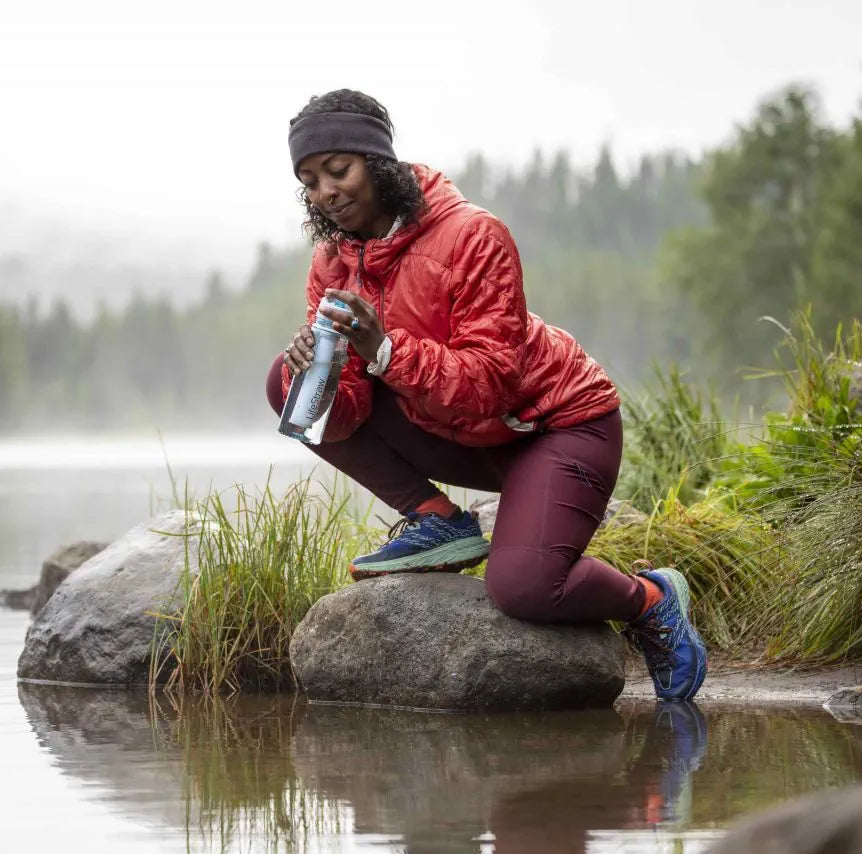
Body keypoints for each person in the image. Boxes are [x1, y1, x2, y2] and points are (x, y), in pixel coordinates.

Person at [265, 89, 707, 702]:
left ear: (379, 162)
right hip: (461, 433)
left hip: (556, 426)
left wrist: (384, 349)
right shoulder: (331, 263)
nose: (325, 192)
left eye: (338, 170)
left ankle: (651, 599)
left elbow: (489, 382)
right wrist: (312, 379)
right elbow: (347, 417)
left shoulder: (474, 236)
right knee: (280, 384)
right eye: (309, 181)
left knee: (525, 587)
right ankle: (436, 521)